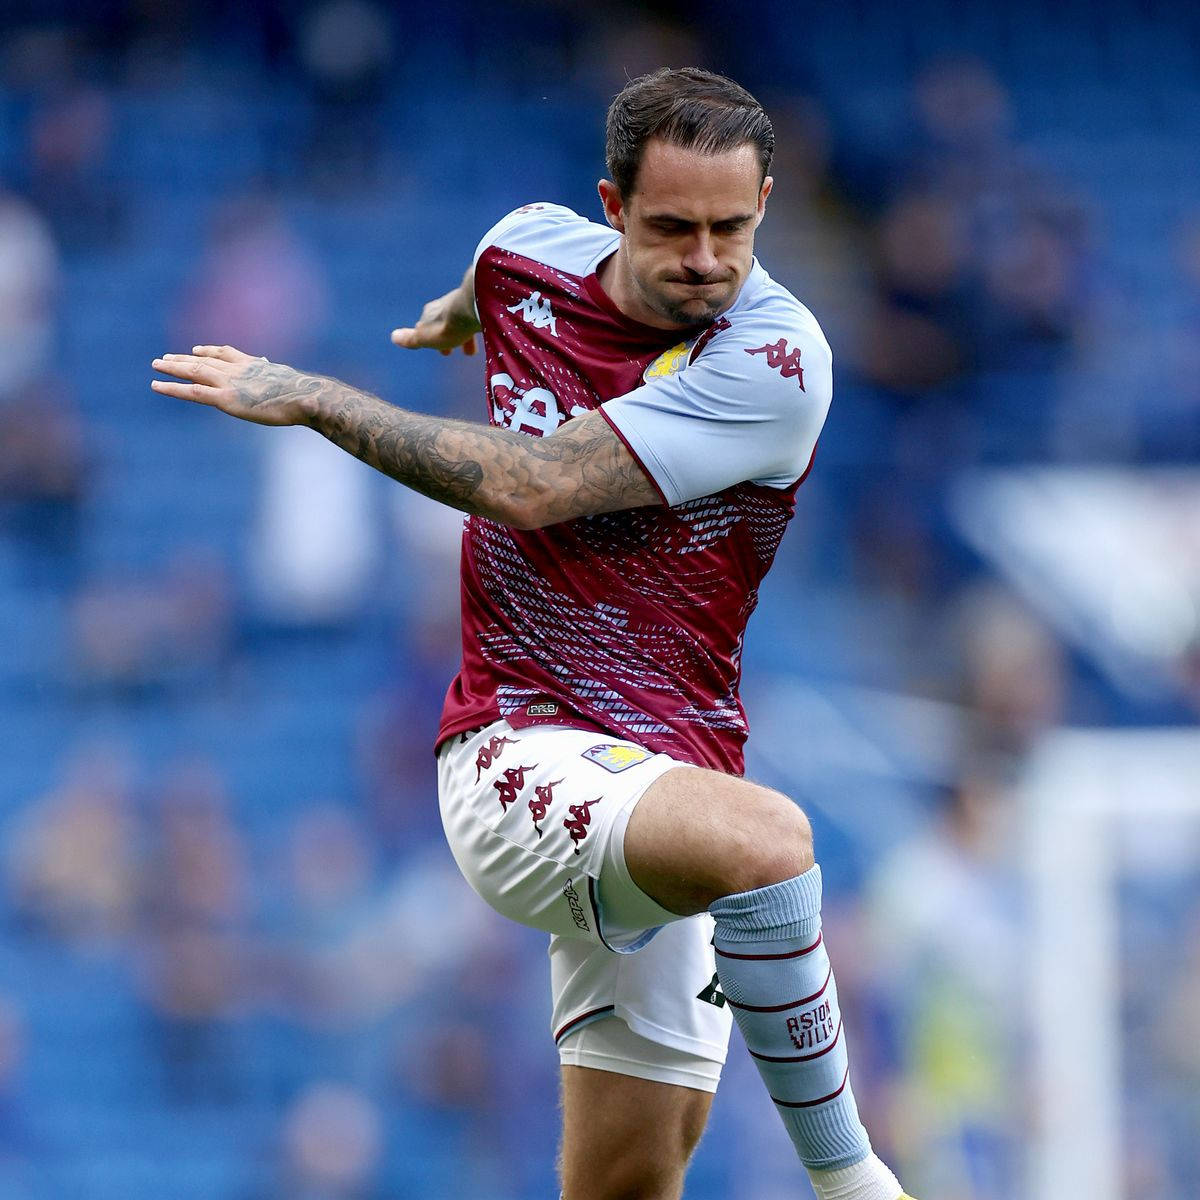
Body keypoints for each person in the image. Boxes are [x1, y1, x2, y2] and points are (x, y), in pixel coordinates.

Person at [152, 67, 916, 1200]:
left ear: (766, 205)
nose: (706, 259)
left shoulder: (775, 363)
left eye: (733, 229)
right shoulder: (528, 249)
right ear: (610, 207)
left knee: (629, 1181)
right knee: (770, 846)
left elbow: (536, 484)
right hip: (516, 748)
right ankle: (853, 1182)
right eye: (672, 228)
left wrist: (317, 397)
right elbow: (497, 269)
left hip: (661, 783)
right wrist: (455, 314)